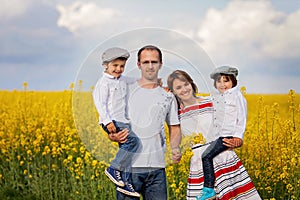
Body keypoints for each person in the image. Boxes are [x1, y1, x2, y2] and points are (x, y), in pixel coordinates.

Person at [167, 69, 261, 200]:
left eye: (186, 84)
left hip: (223, 158)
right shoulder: (175, 113)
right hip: (199, 164)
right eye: (178, 87)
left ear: (192, 84)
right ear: (172, 91)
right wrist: (175, 150)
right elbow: (174, 133)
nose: (184, 89)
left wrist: (239, 138)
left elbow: (234, 117)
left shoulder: (212, 101)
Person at [108, 45, 182, 200]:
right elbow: (109, 116)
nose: (150, 66)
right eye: (146, 61)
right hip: (129, 169)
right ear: (138, 64)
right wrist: (112, 135)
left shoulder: (168, 96)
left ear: (160, 64)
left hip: (157, 169)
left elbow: (174, 126)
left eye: (154, 62)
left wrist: (175, 148)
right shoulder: (125, 89)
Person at [92, 47, 140, 197]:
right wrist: (107, 122)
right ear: (106, 65)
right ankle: (114, 168)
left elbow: (137, 82)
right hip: (113, 121)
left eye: (122, 66)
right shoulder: (103, 83)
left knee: (127, 153)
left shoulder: (122, 80)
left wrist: (156, 84)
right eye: (115, 66)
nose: (118, 69)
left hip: (122, 120)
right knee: (133, 142)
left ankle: (125, 184)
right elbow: (100, 103)